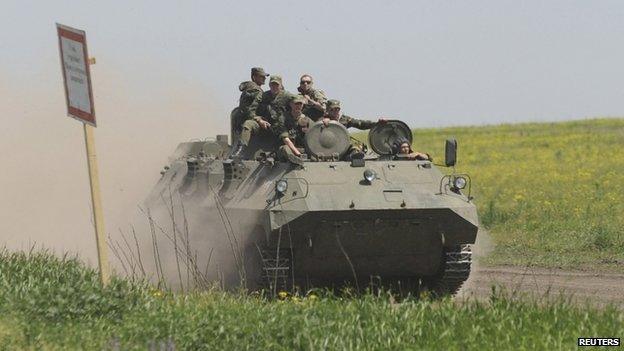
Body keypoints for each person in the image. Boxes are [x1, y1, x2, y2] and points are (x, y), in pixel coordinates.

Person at [322, 99, 387, 160]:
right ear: (327, 110)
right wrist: (323, 123)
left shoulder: (344, 120)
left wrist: (377, 124)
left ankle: (352, 156)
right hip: (328, 146)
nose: (335, 111)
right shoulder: (322, 120)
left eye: (337, 109)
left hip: (343, 145)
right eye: (332, 110)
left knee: (356, 145)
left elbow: (361, 124)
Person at [231, 67, 269, 157]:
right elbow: (250, 110)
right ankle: (241, 149)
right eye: (261, 76)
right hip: (252, 120)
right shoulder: (255, 90)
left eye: (264, 77)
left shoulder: (249, 87)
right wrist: (259, 119)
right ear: (254, 77)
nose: (264, 78)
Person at [274, 95, 312, 165]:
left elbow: (314, 135)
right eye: (296, 104)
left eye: (300, 104)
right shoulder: (283, 118)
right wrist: (298, 154)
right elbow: (286, 139)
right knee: (284, 148)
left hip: (302, 149)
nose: (298, 106)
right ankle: (294, 159)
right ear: (291, 104)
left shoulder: (307, 120)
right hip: (289, 149)